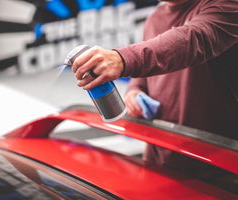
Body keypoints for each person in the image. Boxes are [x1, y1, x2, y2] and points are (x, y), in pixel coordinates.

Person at [71, 0, 238, 175]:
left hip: (217, 163)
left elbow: (192, 40)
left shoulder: (226, 5)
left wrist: (122, 59)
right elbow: (148, 70)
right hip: (158, 155)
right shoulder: (154, 18)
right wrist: (135, 90)